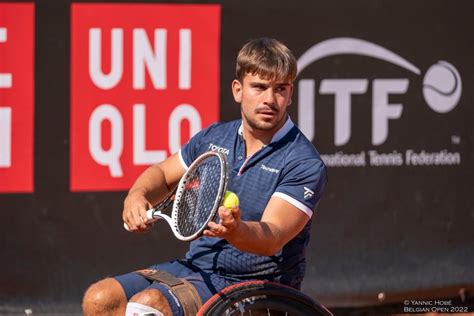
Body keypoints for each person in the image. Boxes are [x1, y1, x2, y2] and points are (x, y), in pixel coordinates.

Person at [82, 37, 328, 316]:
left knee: (150, 305)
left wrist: (237, 231)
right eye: (259, 87)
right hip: (197, 269)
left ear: (290, 93)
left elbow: (272, 237)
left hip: (259, 287)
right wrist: (137, 196)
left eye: (280, 89)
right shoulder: (215, 137)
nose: (269, 99)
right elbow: (161, 174)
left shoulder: (303, 161)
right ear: (238, 90)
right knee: (101, 299)